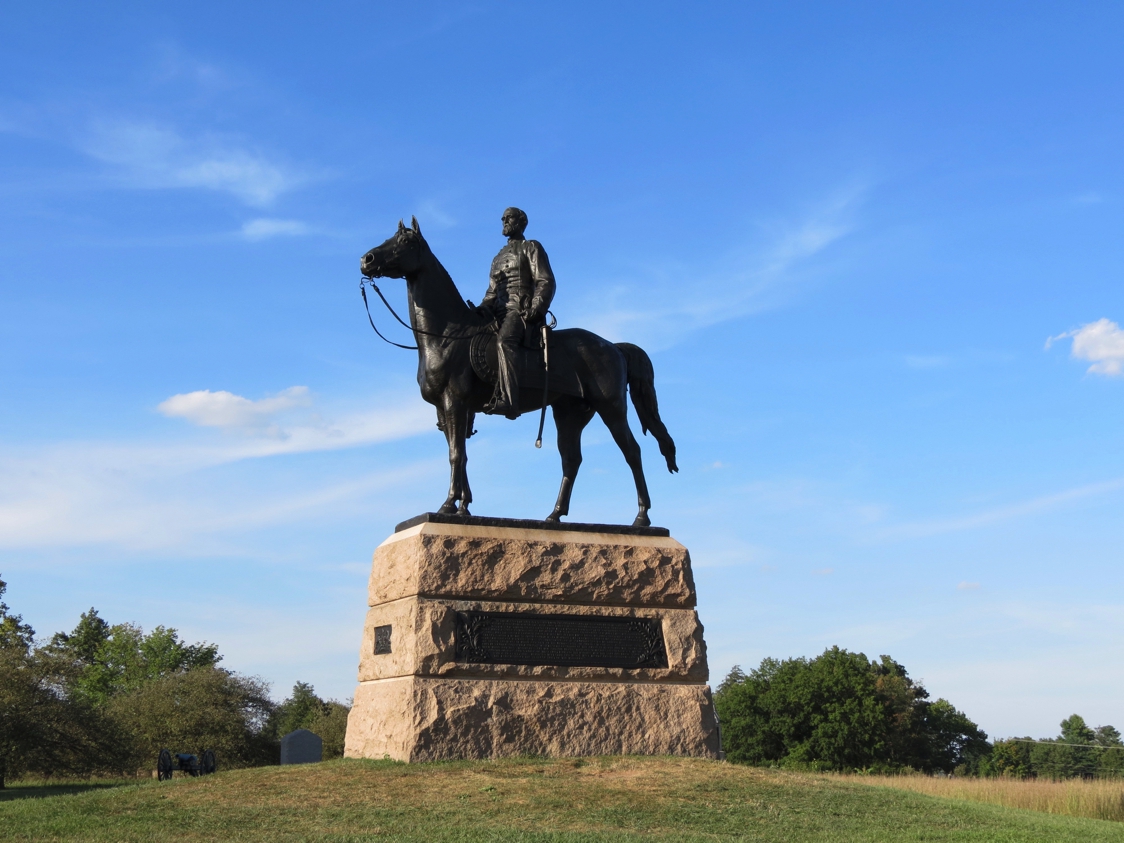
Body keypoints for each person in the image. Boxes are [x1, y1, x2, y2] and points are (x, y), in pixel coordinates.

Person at [476, 207, 556, 418]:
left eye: (508, 218)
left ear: (520, 222)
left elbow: (545, 280)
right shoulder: (497, 258)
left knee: (504, 341)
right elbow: (491, 293)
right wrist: (480, 310)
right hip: (497, 313)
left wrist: (536, 308)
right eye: (502, 218)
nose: (504, 221)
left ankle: (510, 401)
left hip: (519, 312)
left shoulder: (531, 247)